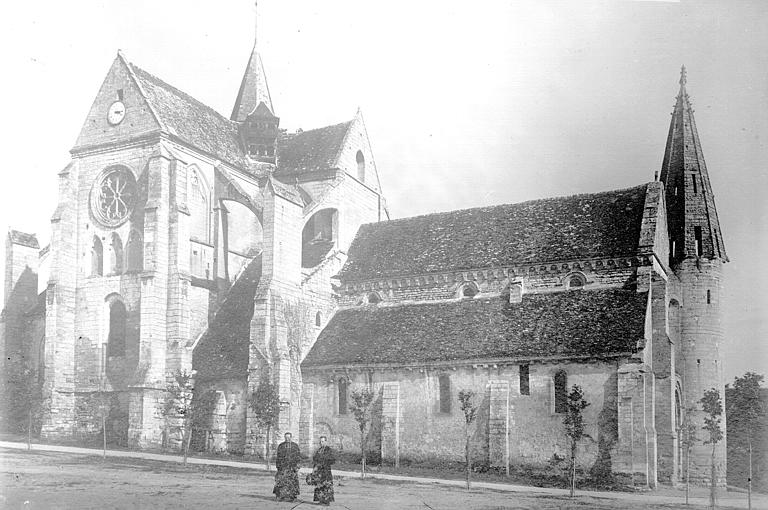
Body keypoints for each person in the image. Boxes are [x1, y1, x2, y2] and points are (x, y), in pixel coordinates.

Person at [273, 432, 301, 502]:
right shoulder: (281, 446)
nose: (287, 439)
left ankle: (293, 497)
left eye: (288, 437)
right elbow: (278, 457)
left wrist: (297, 466)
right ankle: (280, 496)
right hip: (283, 467)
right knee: (281, 481)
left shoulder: (295, 446)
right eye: (286, 437)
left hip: (292, 467)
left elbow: (298, 457)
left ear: (291, 437)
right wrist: (278, 466)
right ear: (284, 438)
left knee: (292, 482)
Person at [311, 435, 336, 505]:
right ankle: (321, 500)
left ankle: (327, 501)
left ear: (326, 441)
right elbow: (315, 459)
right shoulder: (318, 450)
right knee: (319, 486)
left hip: (326, 471)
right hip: (319, 472)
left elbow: (332, 460)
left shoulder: (329, 450)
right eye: (320, 442)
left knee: (326, 485)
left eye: (323, 441)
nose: (321, 443)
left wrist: (324, 462)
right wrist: (314, 468)